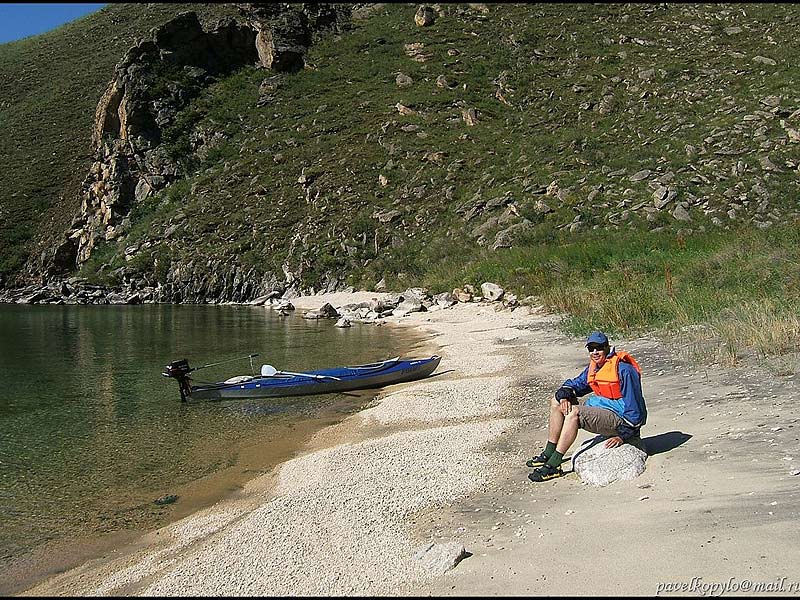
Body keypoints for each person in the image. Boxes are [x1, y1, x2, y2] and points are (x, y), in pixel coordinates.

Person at [527, 331, 647, 482]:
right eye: (591, 348)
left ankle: (554, 465)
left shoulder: (624, 370)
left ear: (607, 347)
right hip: (606, 412)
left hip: (622, 420)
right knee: (556, 402)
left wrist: (623, 436)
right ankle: (549, 452)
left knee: (574, 413)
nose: (595, 352)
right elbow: (575, 384)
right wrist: (564, 396)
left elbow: (635, 409)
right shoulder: (595, 367)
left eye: (599, 348)